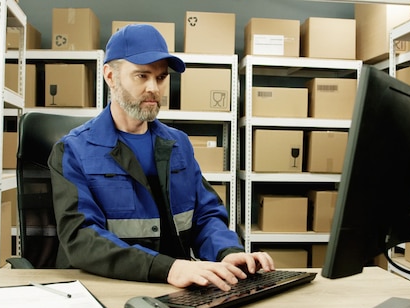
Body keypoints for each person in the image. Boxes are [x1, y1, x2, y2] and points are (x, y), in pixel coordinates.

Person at [48, 24, 274, 291]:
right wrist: (168, 267)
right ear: (110, 76)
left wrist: (226, 252)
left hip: (175, 287)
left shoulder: (178, 144)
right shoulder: (73, 150)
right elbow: (81, 238)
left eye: (161, 77)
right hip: (105, 287)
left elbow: (205, 214)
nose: (154, 88)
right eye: (141, 76)